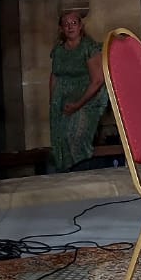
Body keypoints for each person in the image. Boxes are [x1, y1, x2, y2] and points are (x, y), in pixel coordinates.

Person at [48, 9, 106, 172]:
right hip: (61, 100)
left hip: (86, 100)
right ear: (61, 28)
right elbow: (54, 76)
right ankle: (65, 176)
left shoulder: (89, 48)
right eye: (66, 24)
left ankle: (81, 174)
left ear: (81, 26)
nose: (70, 27)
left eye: (74, 23)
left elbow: (98, 80)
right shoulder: (59, 50)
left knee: (74, 138)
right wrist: (53, 102)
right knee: (60, 140)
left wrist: (77, 105)